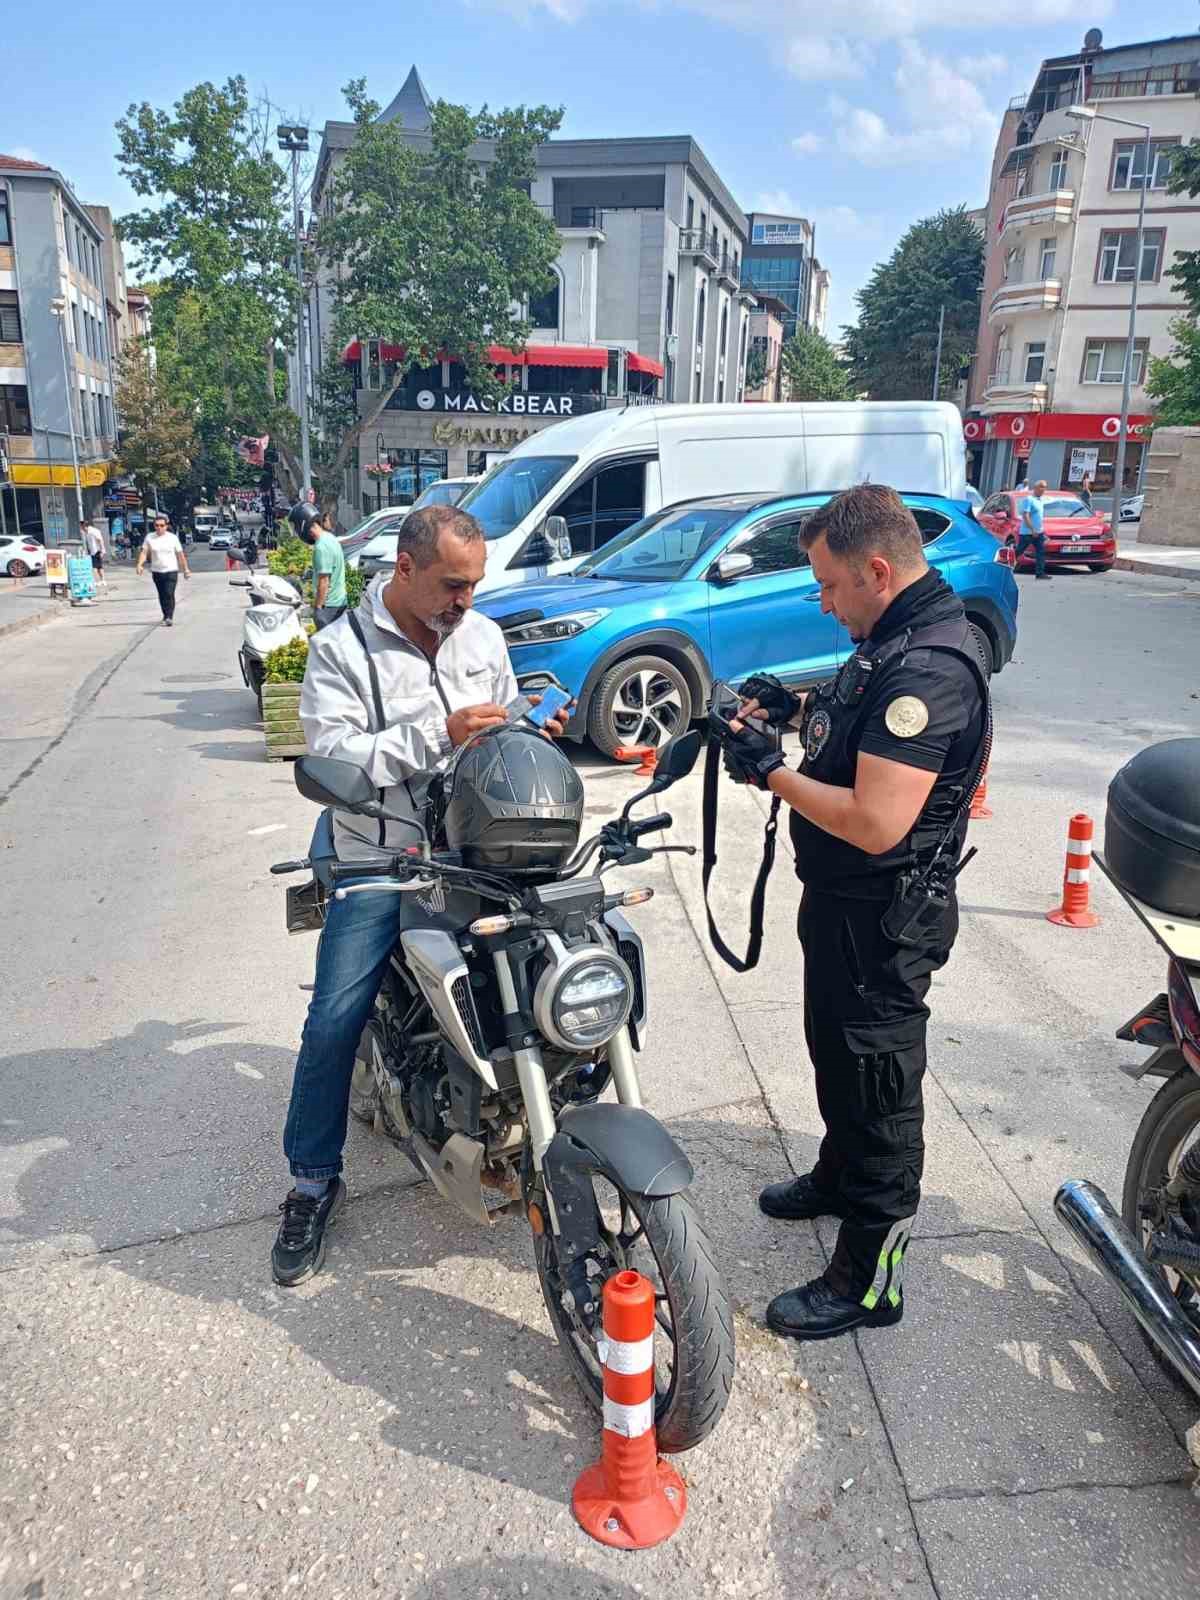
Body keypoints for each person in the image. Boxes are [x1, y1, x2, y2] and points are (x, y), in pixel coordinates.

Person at [272, 503, 570, 1286]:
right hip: (385, 853)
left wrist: (535, 729)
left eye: (473, 584)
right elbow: (335, 758)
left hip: (481, 848)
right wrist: (442, 731)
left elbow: (501, 728)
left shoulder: (483, 636)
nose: (464, 601)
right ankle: (309, 1182)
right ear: (403, 569)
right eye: (451, 584)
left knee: (566, 958)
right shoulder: (341, 650)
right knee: (335, 1016)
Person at [721, 484, 988, 1342]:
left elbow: (877, 821)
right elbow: (858, 720)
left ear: (878, 569)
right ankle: (839, 1177)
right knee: (833, 1053)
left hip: (885, 917)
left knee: (878, 1086)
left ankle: (872, 1280)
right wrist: (792, 709)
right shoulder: (893, 636)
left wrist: (771, 772)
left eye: (831, 587)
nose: (826, 605)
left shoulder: (931, 666)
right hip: (842, 907)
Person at [291, 502, 347, 630]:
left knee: (320, 643)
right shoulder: (330, 537)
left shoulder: (321, 547)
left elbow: (324, 581)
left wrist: (318, 607)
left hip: (329, 606)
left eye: (296, 526)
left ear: (303, 524)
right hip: (339, 601)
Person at [135, 513, 191, 625]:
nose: (159, 528)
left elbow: (180, 555)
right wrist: (139, 564)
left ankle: (169, 616)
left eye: (161, 525)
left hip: (171, 570)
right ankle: (165, 615)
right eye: (156, 525)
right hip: (157, 571)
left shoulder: (172, 538)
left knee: (169, 593)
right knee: (162, 594)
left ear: (166, 526)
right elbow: (144, 552)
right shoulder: (149, 537)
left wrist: (185, 569)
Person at [1014, 478, 1050, 580]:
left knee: (1040, 552)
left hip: (1038, 532)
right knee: (1019, 551)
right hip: (1027, 532)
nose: (1044, 489)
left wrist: (1042, 531)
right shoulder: (1029, 499)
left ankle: (1040, 573)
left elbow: (1038, 518)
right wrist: (1032, 529)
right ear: (1035, 488)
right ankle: (1005, 566)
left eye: (1045, 487)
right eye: (1042, 487)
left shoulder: (1040, 501)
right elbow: (1025, 515)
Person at [81, 517, 106, 590]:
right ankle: (102, 580)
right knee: (99, 567)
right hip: (93, 551)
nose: (82, 529)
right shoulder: (88, 532)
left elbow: (100, 540)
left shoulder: (93, 531)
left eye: (82, 527)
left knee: (95, 567)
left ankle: (98, 581)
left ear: (85, 526)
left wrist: (102, 550)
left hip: (96, 551)